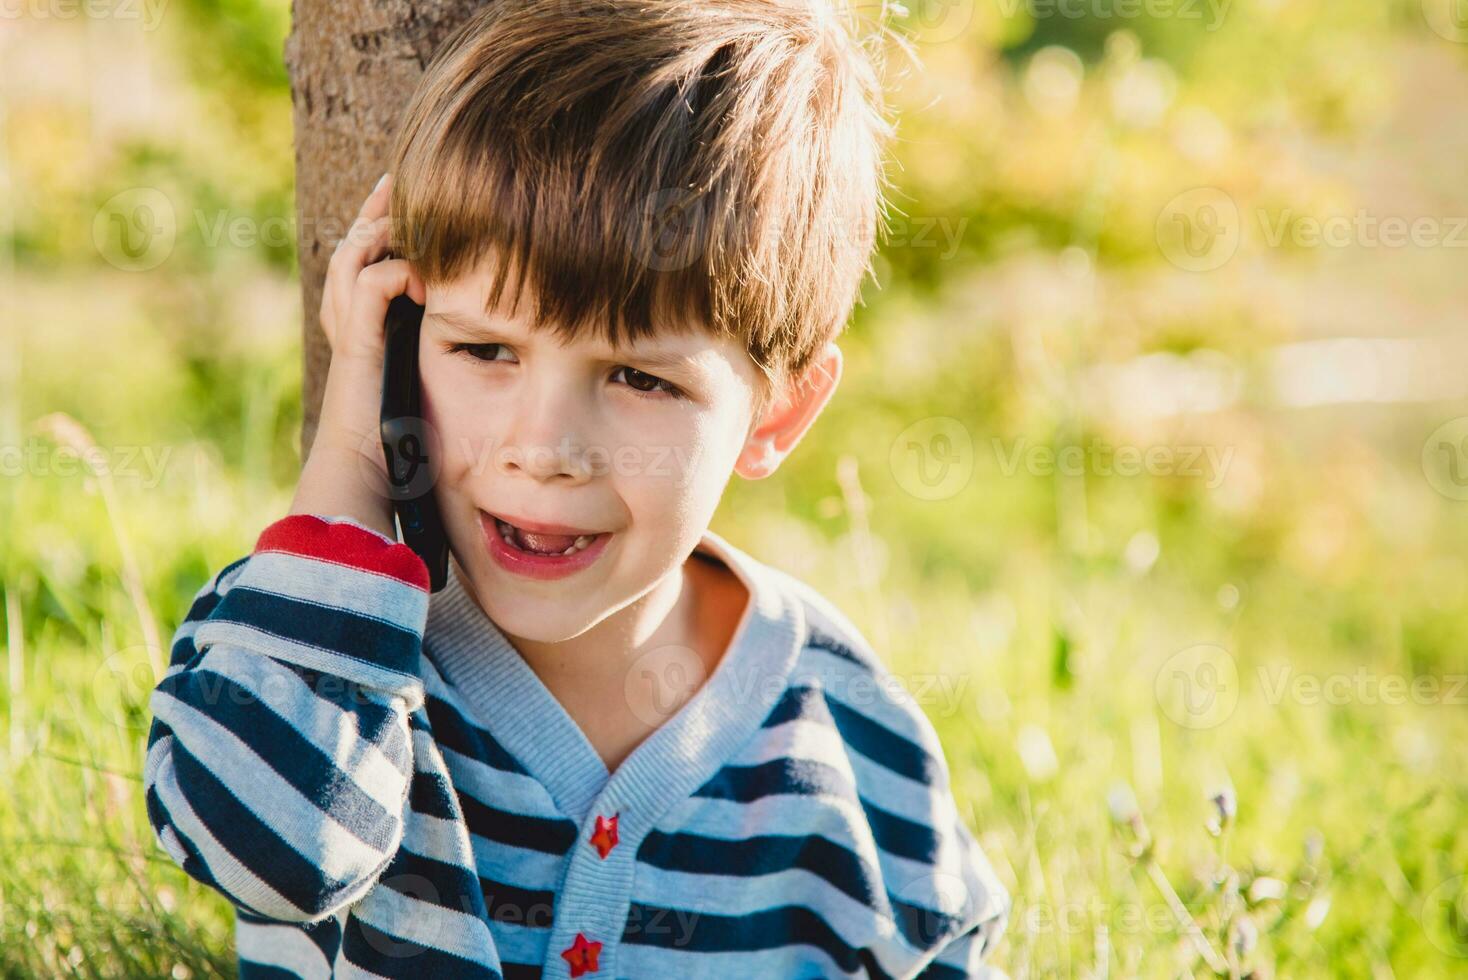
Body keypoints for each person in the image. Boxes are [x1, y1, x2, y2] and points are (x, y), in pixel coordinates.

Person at [143, 2, 1010, 976]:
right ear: (396, 338)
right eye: (483, 348)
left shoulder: (852, 752)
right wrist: (353, 444)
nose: (545, 447)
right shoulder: (326, 642)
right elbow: (264, 847)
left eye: (641, 377)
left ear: (776, 414)